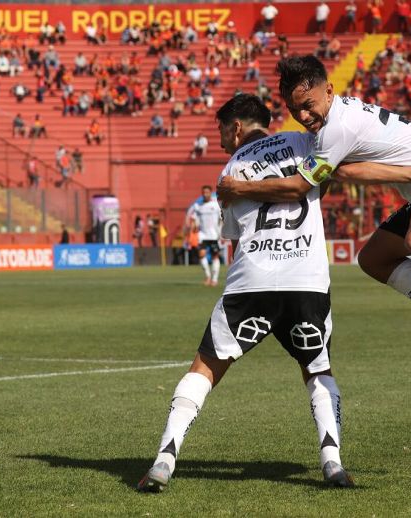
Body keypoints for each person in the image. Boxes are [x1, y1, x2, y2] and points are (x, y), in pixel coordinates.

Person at [138, 94, 354, 492]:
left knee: (204, 368)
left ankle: (165, 459)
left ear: (236, 127)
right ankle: (332, 462)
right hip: (306, 278)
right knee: (317, 370)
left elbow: (236, 235)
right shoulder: (307, 143)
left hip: (252, 279)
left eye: (222, 131)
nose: (221, 141)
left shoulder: (232, 168)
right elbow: (316, 188)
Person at [219, 56, 411, 368]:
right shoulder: (335, 122)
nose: (304, 116)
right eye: (295, 110)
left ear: (329, 91)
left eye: (309, 104)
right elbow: (339, 173)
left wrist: (238, 189)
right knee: (374, 259)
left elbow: (298, 187)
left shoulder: (337, 128)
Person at [186, 185, 221, 286]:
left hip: (214, 235)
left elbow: (221, 219)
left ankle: (214, 279)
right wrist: (192, 231)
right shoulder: (198, 206)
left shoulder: (216, 205)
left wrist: (221, 232)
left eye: (207, 192)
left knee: (215, 256)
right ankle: (208, 276)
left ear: (210, 193)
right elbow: (194, 220)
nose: (205, 194)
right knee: (201, 254)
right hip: (202, 235)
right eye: (204, 193)